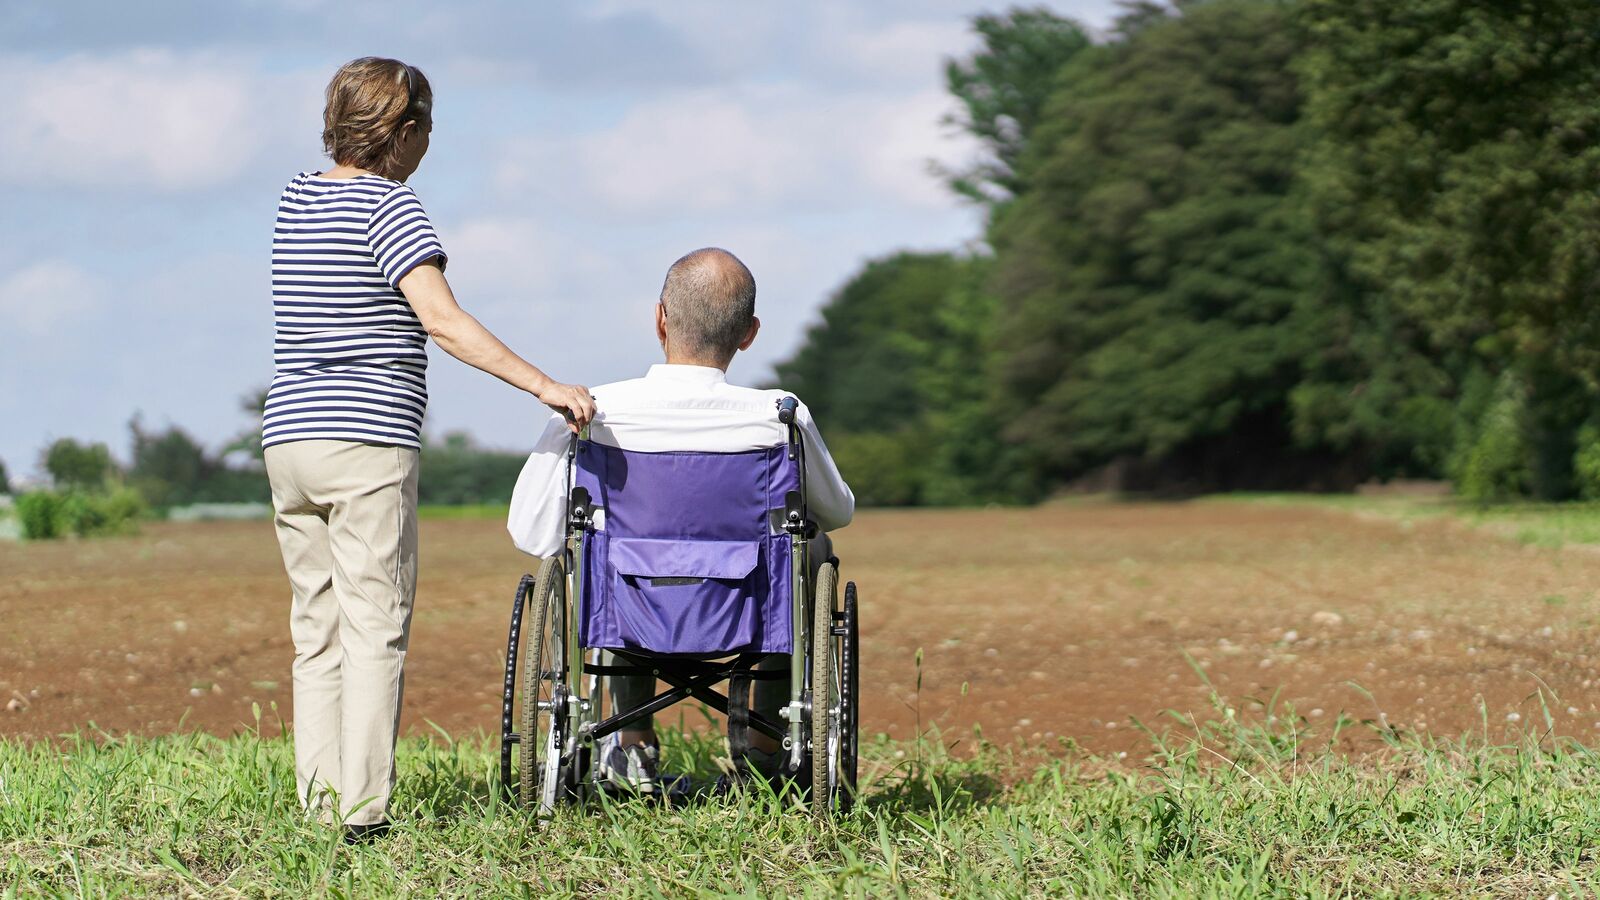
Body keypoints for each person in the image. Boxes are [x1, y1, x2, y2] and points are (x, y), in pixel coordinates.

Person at [263, 57, 594, 840]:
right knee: (376, 623)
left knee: (318, 628)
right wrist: (543, 384)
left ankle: (317, 803)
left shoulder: (295, 200)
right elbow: (442, 322)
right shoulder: (395, 209)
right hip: (366, 440)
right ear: (404, 132)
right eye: (428, 131)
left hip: (289, 437)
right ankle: (362, 815)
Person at [506, 247, 853, 794]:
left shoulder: (595, 411)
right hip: (745, 606)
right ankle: (764, 748)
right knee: (808, 551)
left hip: (630, 605)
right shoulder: (779, 415)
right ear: (749, 333)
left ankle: (632, 745)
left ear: (660, 319)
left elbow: (530, 531)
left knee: (601, 552)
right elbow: (837, 510)